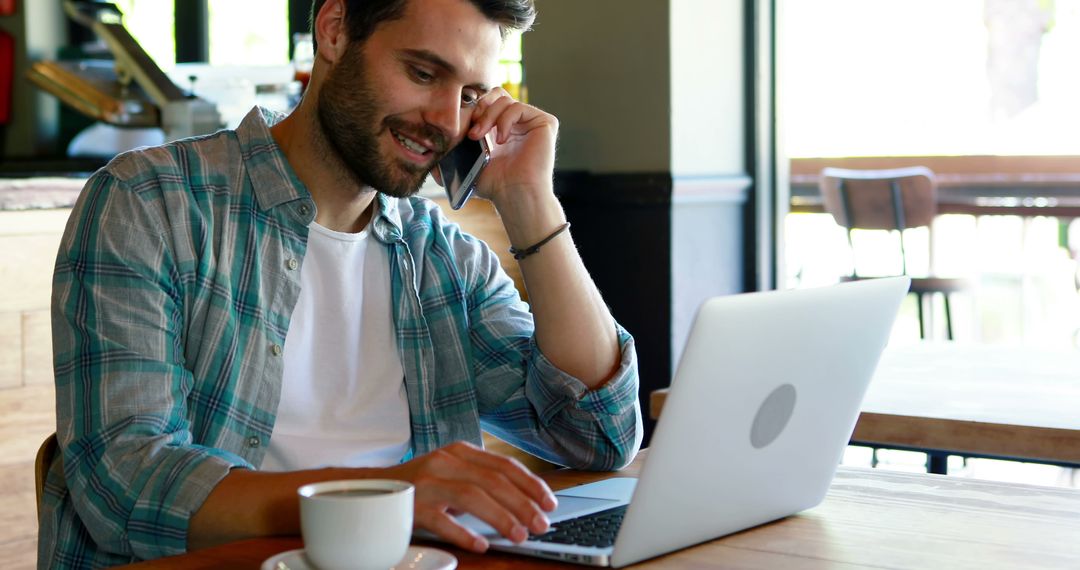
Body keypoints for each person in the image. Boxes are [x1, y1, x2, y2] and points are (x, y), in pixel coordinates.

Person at [38, 0, 642, 567]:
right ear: (333, 29)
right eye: (424, 72)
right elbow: (125, 483)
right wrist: (381, 495)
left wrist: (530, 201)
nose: (445, 120)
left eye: (472, 95)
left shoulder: (444, 258)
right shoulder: (150, 204)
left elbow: (599, 434)